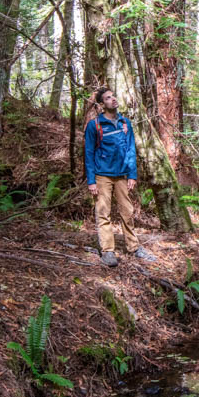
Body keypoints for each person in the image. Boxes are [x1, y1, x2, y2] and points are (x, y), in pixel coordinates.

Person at [83, 87, 156, 267]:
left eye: (113, 96)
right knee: (103, 213)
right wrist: (91, 180)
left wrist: (132, 174)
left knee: (127, 211)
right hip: (102, 176)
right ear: (102, 105)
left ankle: (134, 247)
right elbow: (89, 153)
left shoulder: (125, 123)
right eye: (108, 98)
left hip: (122, 175)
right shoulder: (95, 125)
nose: (113, 99)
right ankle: (108, 251)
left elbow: (131, 149)